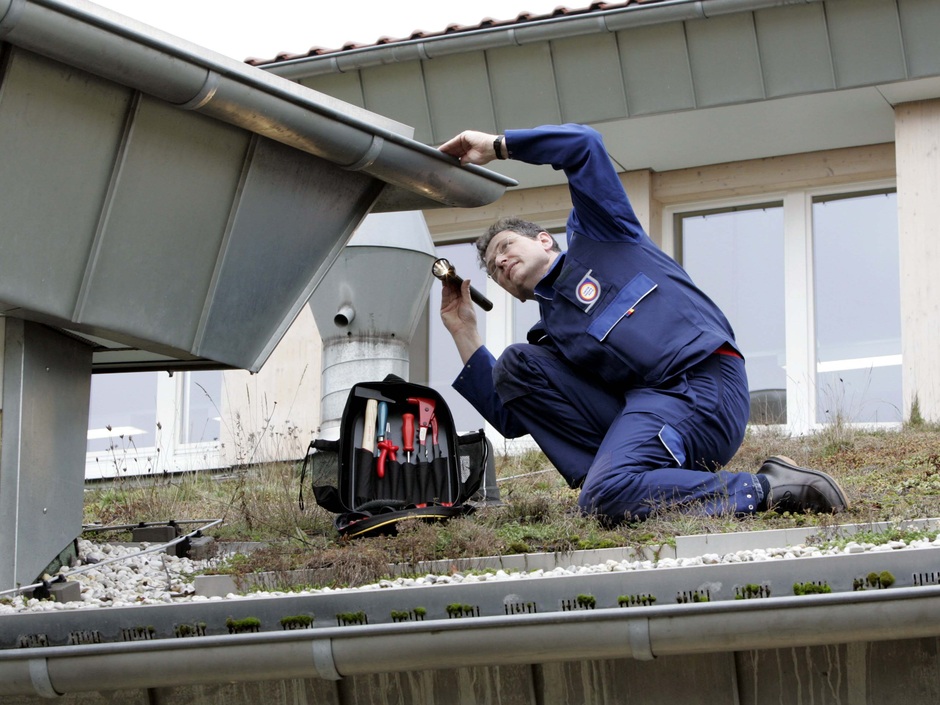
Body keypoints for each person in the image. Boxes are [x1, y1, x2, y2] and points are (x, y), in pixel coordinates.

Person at [437, 123, 848, 525]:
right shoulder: (553, 336)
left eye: (506, 247)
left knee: (604, 495)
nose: (502, 262)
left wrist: (497, 146)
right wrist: (463, 330)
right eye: (493, 269)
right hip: (647, 409)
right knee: (516, 365)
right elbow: (512, 414)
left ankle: (770, 487)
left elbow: (583, 145)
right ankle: (617, 479)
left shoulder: (603, 234)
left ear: (545, 239)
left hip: (704, 388)